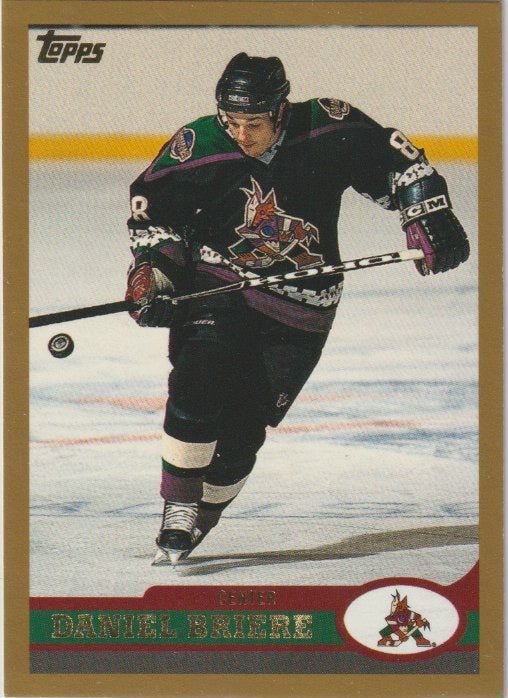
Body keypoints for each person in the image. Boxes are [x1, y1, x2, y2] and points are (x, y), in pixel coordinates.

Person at [125, 52, 470, 566]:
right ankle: (177, 507)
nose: (241, 135)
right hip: (220, 284)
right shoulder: (200, 143)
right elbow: (152, 214)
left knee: (244, 431)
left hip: (302, 305)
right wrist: (155, 274)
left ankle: (206, 514)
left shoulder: (327, 126)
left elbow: (403, 164)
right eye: (232, 122)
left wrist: (427, 211)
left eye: (254, 123)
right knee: (197, 380)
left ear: (281, 110)